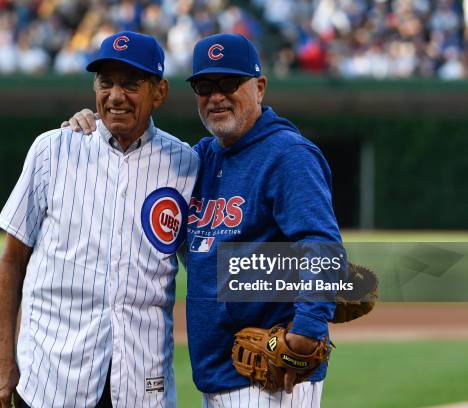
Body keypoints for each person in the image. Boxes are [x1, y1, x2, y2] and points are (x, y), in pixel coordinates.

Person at [63, 33, 342, 408]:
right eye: (204, 86)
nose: (216, 97)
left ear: (259, 88)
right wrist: (97, 124)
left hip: (275, 377)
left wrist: (307, 330)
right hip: (219, 372)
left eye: (229, 84)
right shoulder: (202, 158)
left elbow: (321, 243)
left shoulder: (288, 156)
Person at [0, 31, 199, 408]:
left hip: (140, 384)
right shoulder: (53, 150)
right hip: (51, 380)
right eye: (106, 82)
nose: (115, 95)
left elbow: (209, 264)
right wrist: (3, 367)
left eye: (131, 84)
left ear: (160, 92)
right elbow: (11, 262)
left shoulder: (185, 165)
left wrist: (302, 277)